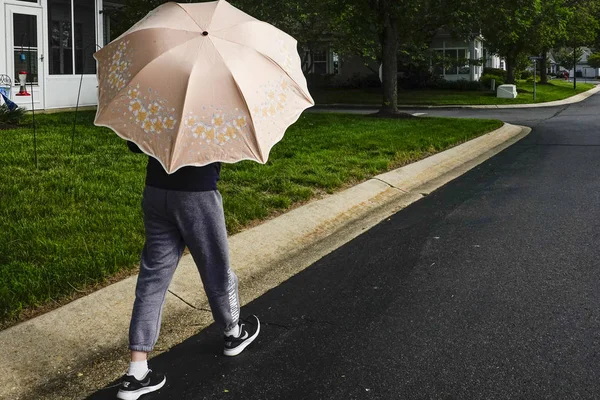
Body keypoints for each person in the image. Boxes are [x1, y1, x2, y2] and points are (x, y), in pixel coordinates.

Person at [116, 141, 260, 400]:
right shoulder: (215, 105)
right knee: (215, 268)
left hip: (157, 189)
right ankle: (233, 333)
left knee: (153, 278)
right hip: (197, 191)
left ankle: (136, 372)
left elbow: (135, 145)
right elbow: (229, 148)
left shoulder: (156, 102)